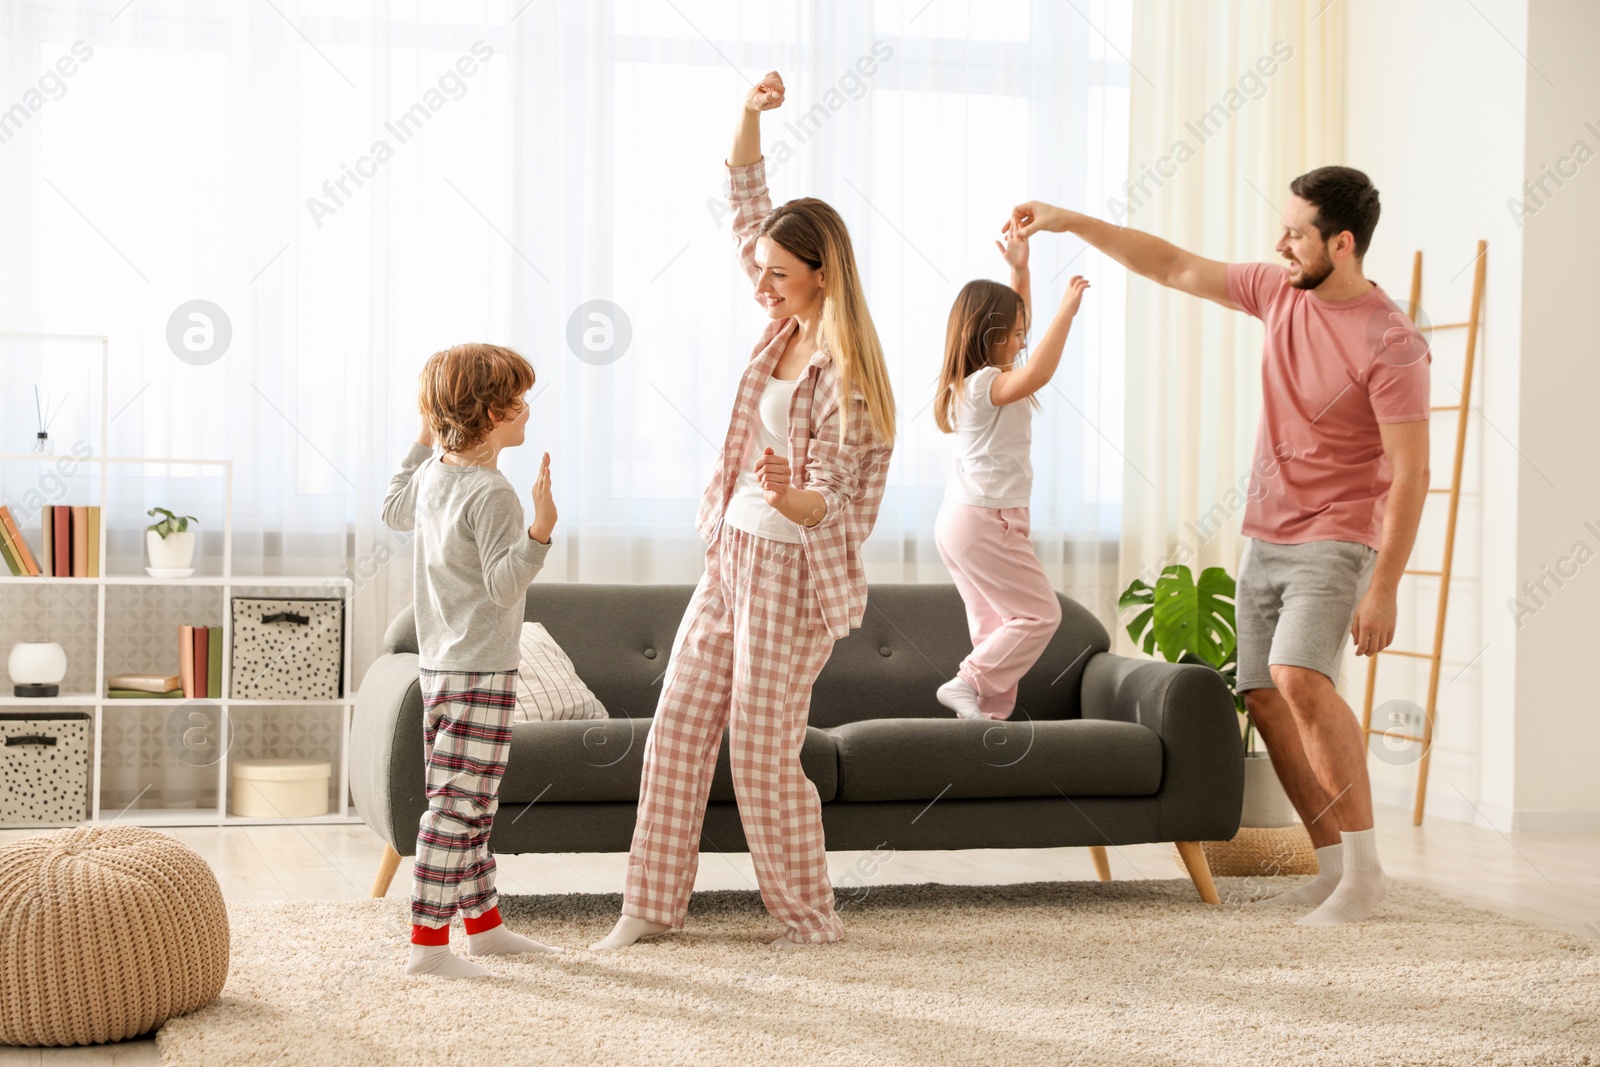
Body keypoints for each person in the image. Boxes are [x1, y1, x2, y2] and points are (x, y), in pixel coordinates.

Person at [1009, 166, 1429, 925]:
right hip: (1265, 535)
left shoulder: (1391, 340)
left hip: (1337, 538)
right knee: (1265, 694)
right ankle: (1333, 865)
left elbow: (1412, 471)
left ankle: (1366, 875)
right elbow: (1171, 263)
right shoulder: (1277, 292)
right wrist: (1073, 221)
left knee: (1302, 679)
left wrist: (1386, 585)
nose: (1280, 243)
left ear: (1342, 242)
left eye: (1296, 232)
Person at [591, 70, 896, 951]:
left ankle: (808, 920)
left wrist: (785, 485)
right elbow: (744, 199)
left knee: (761, 757)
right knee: (677, 732)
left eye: (778, 272)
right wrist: (751, 113)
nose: (760, 283)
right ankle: (649, 909)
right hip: (730, 556)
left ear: (821, 272)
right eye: (759, 268)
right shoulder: (781, 323)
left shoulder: (847, 372)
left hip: (793, 578)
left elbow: (833, 502)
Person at [381, 342, 565, 976]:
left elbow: (392, 508)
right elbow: (503, 585)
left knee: (469, 803)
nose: (526, 411)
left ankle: (483, 928)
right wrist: (540, 530)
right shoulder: (492, 494)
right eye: (518, 400)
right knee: (459, 808)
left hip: (443, 668)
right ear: (491, 412)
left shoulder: (434, 474)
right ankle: (429, 946)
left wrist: (420, 437)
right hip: (481, 671)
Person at [932, 223, 1089, 720]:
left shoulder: (967, 382)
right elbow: (1039, 370)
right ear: (992, 335)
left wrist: (1019, 271)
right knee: (1041, 614)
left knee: (995, 625)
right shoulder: (985, 386)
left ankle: (986, 715)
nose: (1024, 340)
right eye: (1017, 334)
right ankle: (967, 683)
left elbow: (1019, 338)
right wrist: (1066, 312)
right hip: (986, 520)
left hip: (963, 520)